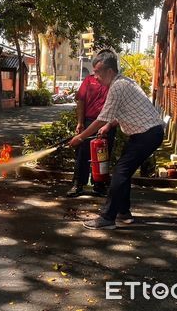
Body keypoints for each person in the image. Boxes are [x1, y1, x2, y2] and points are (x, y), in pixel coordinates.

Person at [69, 50, 165, 229]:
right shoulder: (124, 82)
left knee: (120, 172)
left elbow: (101, 119)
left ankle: (107, 217)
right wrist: (109, 126)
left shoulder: (117, 86)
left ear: (110, 71)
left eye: (98, 72)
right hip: (146, 133)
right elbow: (120, 113)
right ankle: (124, 212)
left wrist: (81, 137)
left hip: (147, 134)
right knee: (124, 171)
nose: (95, 77)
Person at [66, 71, 116, 197]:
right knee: (82, 153)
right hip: (89, 121)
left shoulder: (114, 83)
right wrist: (80, 122)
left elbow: (117, 107)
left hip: (107, 123)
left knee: (102, 156)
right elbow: (81, 101)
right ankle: (78, 184)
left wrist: (108, 125)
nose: (96, 72)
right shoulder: (89, 80)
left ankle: (99, 185)